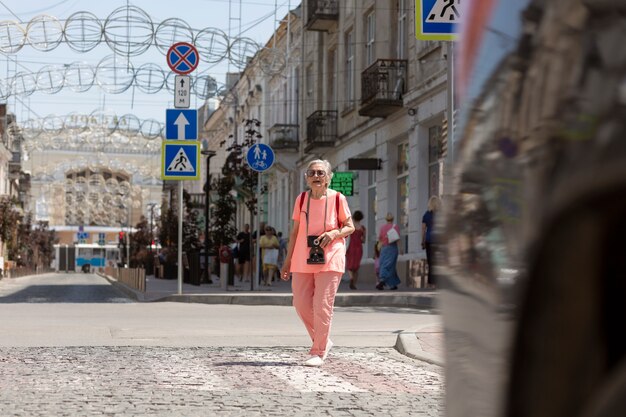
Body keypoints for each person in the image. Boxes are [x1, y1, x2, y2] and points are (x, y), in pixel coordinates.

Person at [280, 159, 355, 367]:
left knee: (322, 304)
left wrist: (333, 233)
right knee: (301, 304)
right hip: (303, 257)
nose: (316, 176)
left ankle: (319, 350)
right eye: (312, 173)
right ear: (306, 178)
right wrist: (287, 262)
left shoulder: (338, 199)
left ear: (329, 177)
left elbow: (350, 227)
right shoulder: (302, 199)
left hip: (331, 256)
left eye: (321, 173)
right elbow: (295, 232)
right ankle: (323, 339)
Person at [376, 213, 401, 290]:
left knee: (384, 264)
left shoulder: (382, 228)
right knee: (391, 265)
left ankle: (392, 284)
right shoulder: (395, 227)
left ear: (386, 219)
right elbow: (397, 239)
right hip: (393, 248)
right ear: (392, 219)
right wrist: (401, 248)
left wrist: (378, 248)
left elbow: (380, 239)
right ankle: (383, 280)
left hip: (384, 248)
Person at [422, 196, 441, 289]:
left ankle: (432, 283)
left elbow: (423, 229)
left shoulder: (426, 214)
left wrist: (422, 240)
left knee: (431, 262)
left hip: (429, 240)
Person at [345, 210, 365, 290]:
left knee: (349, 266)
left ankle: (351, 278)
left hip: (351, 247)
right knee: (356, 267)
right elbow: (363, 240)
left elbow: (346, 237)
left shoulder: (351, 227)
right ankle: (354, 283)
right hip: (359, 248)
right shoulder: (363, 228)